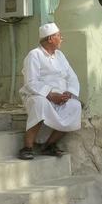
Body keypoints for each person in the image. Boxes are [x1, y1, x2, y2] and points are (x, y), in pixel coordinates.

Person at [18, 22, 82, 160]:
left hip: (60, 96)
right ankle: (27, 147)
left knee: (75, 106)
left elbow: (72, 76)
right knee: (40, 103)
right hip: (38, 94)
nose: (62, 38)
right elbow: (31, 82)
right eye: (59, 35)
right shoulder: (34, 55)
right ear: (50, 39)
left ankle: (49, 145)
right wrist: (50, 95)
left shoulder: (60, 55)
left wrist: (68, 93)